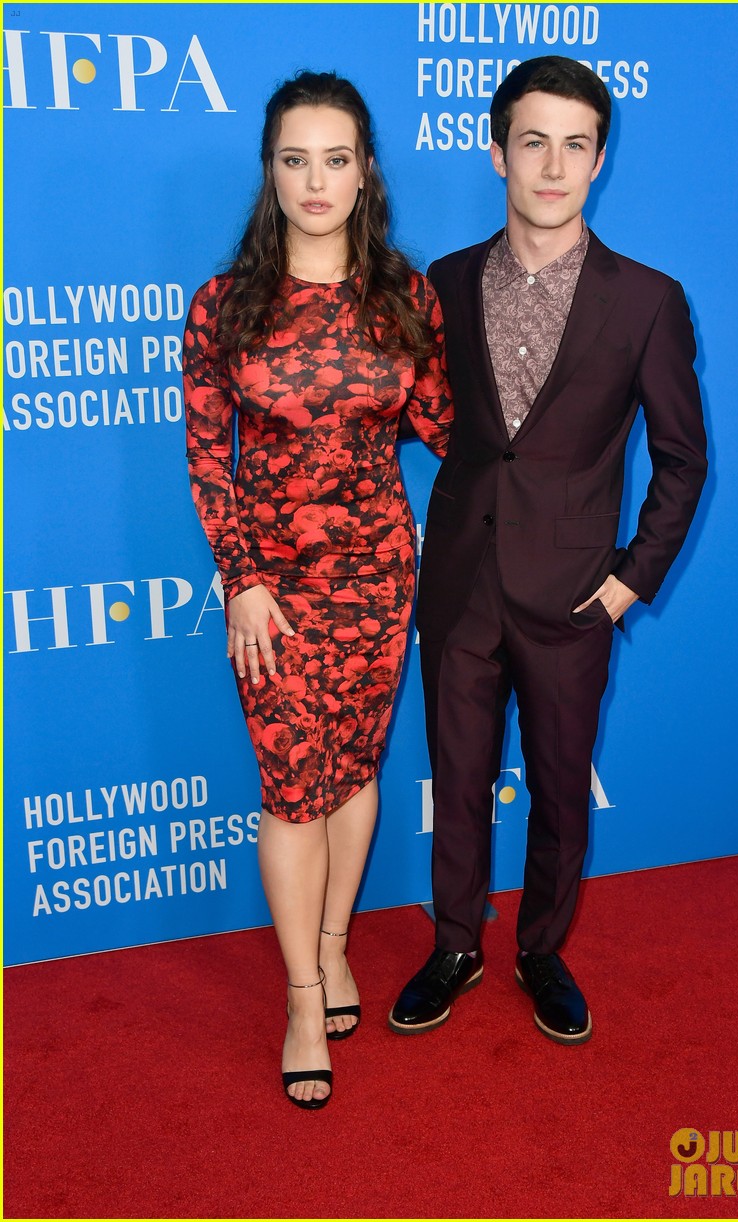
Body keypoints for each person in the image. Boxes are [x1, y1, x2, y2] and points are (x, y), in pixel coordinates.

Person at [389, 57, 707, 1043]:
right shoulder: (439, 282)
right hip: (460, 585)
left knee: (561, 790)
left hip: (575, 597)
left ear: (599, 158)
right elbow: (405, 412)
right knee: (458, 779)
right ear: (496, 153)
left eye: (575, 143)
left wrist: (624, 585)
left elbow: (681, 462)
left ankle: (538, 948)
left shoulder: (647, 299)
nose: (553, 164)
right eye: (533, 141)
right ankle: (453, 944)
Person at [183, 70, 451, 1108]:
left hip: (380, 576)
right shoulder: (227, 304)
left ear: (364, 170)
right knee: (292, 786)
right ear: (269, 170)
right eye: (294, 158)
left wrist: (557, 440)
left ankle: (337, 946)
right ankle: (303, 995)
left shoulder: (402, 292)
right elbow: (209, 457)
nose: (314, 179)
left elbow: (445, 427)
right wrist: (241, 579)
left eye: (334, 158)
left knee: (350, 772)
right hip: (274, 593)